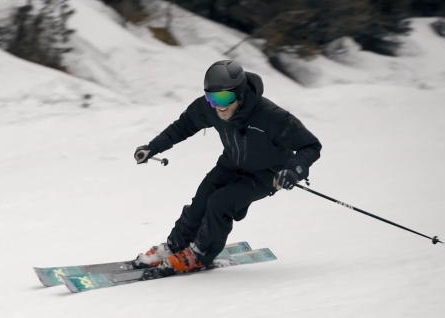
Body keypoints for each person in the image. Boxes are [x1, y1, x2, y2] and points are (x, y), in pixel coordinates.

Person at [133, 59, 322, 275]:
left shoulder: (271, 116)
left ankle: (199, 254)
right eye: (212, 97)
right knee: (202, 199)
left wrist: (293, 170)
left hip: (266, 175)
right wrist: (153, 148)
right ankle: (175, 246)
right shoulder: (210, 108)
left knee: (220, 203)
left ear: (240, 93)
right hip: (230, 164)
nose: (219, 105)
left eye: (225, 97)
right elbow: (183, 126)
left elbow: (311, 146)